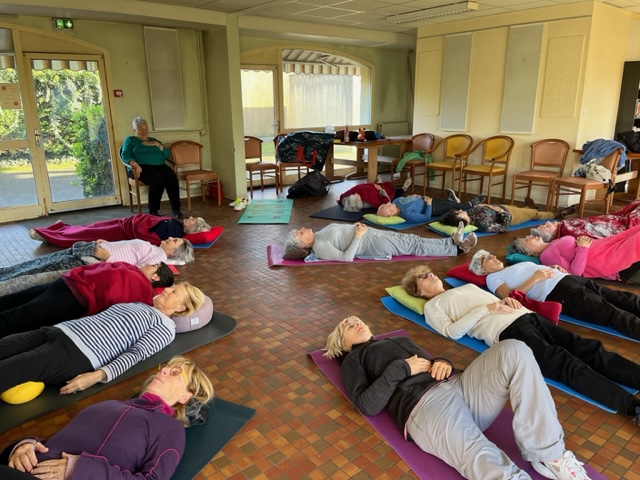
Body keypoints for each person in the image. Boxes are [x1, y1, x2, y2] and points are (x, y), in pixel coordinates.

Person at [325, 316, 593, 480]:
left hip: (461, 386)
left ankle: (550, 455)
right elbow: (366, 405)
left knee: (514, 349)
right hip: (427, 407)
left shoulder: (394, 340)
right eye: (347, 325)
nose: (355, 322)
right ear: (341, 343)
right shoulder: (353, 359)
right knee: (483, 457)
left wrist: (442, 361)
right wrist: (402, 369)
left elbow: (432, 360)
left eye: (356, 319)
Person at [401, 265, 640, 420]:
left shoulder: (464, 286)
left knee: (589, 348)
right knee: (566, 364)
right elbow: (452, 332)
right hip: (507, 331)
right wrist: (487, 308)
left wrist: (513, 303)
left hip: (527, 317)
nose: (430, 274)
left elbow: (496, 300)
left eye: (428, 271)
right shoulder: (433, 307)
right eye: (422, 276)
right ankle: (632, 407)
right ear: (419, 292)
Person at [1, 355, 214, 479]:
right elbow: (54, 442)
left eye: (176, 373)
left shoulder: (170, 429)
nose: (165, 371)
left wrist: (79, 469)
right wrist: (25, 444)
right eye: (166, 367)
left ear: (186, 396)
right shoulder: (111, 404)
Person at [0, 282, 205, 395]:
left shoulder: (165, 328)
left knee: (8, 370)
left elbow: (136, 354)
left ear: (181, 308)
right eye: (171, 287)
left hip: (76, 354)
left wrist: (96, 376)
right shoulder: (141, 305)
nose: (167, 289)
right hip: (60, 331)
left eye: (174, 291)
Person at [469, 250, 640, 340]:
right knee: (612, 313)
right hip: (560, 292)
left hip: (569, 279)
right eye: (487, 259)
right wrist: (536, 278)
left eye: (491, 255)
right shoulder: (492, 278)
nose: (493, 257)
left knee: (622, 298)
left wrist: (552, 268)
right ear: (483, 270)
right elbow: (511, 298)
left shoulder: (509, 267)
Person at [0, 261, 174, 338]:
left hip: (72, 298)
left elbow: (113, 304)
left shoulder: (142, 291)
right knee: (16, 299)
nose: (147, 264)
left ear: (156, 278)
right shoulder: (133, 270)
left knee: (18, 316)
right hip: (67, 283)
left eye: (153, 266)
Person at [0, 237, 194, 283]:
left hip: (93, 259)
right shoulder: (154, 248)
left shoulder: (158, 257)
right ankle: (4, 273)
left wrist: (107, 256)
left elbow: (134, 270)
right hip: (91, 249)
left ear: (174, 252)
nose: (170, 238)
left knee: (41, 269)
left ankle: (5, 279)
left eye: (174, 241)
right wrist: (109, 244)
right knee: (40, 263)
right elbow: (129, 249)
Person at [285, 222, 477, 262]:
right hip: (373, 245)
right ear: (303, 245)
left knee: (413, 239)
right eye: (300, 233)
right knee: (414, 246)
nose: (303, 229)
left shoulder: (319, 234)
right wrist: (358, 235)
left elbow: (341, 233)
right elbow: (346, 258)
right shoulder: (319, 247)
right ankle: (458, 251)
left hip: (372, 235)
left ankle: (451, 242)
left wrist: (355, 228)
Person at [511, 224, 640, 281]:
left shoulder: (551, 244)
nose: (530, 236)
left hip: (605, 247)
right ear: (530, 252)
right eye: (527, 241)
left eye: (527, 237)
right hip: (604, 258)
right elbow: (575, 273)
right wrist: (583, 247)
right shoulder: (547, 256)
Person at [121, 116, 183, 218]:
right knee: (157, 181)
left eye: (146, 129)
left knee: (172, 178)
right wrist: (134, 164)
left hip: (159, 165)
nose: (144, 132)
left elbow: (167, 155)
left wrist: (157, 144)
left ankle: (176, 209)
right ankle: (153, 211)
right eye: (140, 129)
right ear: (134, 130)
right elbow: (125, 154)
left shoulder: (154, 140)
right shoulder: (130, 140)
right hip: (140, 167)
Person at [29, 214, 211, 248]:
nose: (191, 217)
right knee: (91, 228)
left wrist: (135, 225)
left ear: (192, 228)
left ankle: (50, 236)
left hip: (125, 231)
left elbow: (150, 237)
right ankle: (58, 230)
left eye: (194, 220)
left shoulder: (173, 230)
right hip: (126, 223)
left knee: (87, 234)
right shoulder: (177, 225)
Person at [530, 199, 640, 242]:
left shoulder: (564, 226)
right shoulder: (568, 232)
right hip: (621, 225)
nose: (548, 222)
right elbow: (598, 231)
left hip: (616, 220)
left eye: (545, 223)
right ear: (553, 235)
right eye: (547, 227)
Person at [440, 202, 576, 233]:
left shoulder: (470, 212)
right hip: (511, 216)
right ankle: (558, 214)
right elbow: (504, 228)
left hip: (504, 207)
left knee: (525, 209)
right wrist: (500, 211)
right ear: (460, 220)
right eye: (459, 213)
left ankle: (530, 207)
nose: (461, 211)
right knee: (535, 215)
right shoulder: (483, 225)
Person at [376, 190, 485, 223]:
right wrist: (428, 203)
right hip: (432, 207)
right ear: (391, 215)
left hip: (427, 199)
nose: (389, 203)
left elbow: (407, 198)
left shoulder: (396, 201)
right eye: (388, 207)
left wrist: (413, 195)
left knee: (446, 203)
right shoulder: (406, 214)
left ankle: (451, 200)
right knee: (451, 206)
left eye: (387, 203)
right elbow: (426, 218)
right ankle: (471, 203)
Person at [338, 178, 413, 212]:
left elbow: (342, 196)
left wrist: (341, 200)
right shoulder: (367, 203)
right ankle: (403, 188)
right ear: (359, 200)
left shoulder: (347, 198)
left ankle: (378, 182)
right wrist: (381, 190)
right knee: (394, 193)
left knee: (374, 185)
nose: (355, 194)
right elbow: (385, 202)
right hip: (379, 191)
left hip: (371, 186)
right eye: (356, 196)